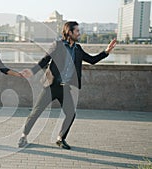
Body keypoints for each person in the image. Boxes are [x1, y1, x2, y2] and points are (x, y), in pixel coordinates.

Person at [18, 21, 117, 149]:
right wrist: (32, 71)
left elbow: (92, 60)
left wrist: (107, 51)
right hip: (51, 86)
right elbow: (45, 59)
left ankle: (60, 138)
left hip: (66, 88)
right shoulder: (58, 45)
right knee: (36, 111)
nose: (79, 33)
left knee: (71, 113)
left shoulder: (78, 49)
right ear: (69, 32)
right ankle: (23, 136)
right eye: (77, 31)